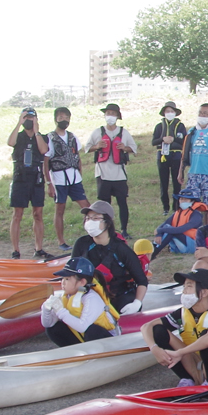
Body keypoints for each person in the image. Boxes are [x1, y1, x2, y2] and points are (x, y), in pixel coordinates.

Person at [142, 270, 208, 386]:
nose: (184, 290)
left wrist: (180, 353)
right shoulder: (185, 312)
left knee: (207, 339)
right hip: (197, 363)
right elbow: (146, 327)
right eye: (184, 286)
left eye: (189, 286)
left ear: (204, 292)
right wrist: (154, 348)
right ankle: (187, 379)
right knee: (158, 330)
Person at [70, 201, 148, 315]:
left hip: (119, 296)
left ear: (108, 223)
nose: (90, 222)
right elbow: (72, 274)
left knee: (125, 307)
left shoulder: (121, 249)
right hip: (90, 295)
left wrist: (137, 302)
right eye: (88, 218)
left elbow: (142, 281)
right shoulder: (81, 244)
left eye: (95, 218)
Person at [39, 256, 117, 347]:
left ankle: (99, 357)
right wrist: (46, 309)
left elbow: (82, 327)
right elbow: (48, 323)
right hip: (83, 338)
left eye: (67, 279)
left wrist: (60, 311)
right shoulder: (65, 296)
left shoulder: (91, 298)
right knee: (52, 328)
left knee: (91, 330)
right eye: (62, 279)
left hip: (108, 342)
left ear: (82, 282)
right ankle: (73, 353)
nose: (63, 283)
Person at [86, 103, 137, 239]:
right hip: (102, 174)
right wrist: (97, 146)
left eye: (113, 114)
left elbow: (134, 148)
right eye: (108, 113)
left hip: (119, 174)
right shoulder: (98, 132)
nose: (110, 116)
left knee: (122, 203)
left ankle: (124, 230)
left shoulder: (123, 132)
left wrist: (124, 148)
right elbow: (87, 147)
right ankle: (105, 229)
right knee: (103, 205)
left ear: (118, 116)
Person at [6, 107, 50, 260]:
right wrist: (19, 123)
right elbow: (10, 143)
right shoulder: (18, 136)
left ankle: (39, 248)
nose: (28, 121)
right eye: (26, 118)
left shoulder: (42, 137)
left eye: (31, 118)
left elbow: (44, 150)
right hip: (20, 177)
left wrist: (36, 131)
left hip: (36, 177)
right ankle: (15, 250)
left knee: (38, 214)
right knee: (17, 214)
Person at [45, 106, 88, 249]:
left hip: (74, 178)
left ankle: (91, 235)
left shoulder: (72, 137)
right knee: (60, 209)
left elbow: (78, 157)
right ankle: (61, 241)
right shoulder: (50, 138)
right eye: (61, 117)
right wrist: (49, 183)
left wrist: (80, 174)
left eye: (66, 118)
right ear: (56, 119)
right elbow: (46, 162)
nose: (64, 120)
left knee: (87, 207)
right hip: (58, 178)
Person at [152, 101, 187, 214]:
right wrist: (163, 139)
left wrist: (173, 139)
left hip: (176, 156)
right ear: (164, 113)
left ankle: (176, 207)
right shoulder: (159, 126)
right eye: (167, 111)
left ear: (175, 113)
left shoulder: (180, 126)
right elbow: (153, 141)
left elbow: (185, 141)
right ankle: (165, 207)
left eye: (172, 111)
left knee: (177, 182)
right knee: (164, 182)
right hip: (162, 156)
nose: (170, 113)